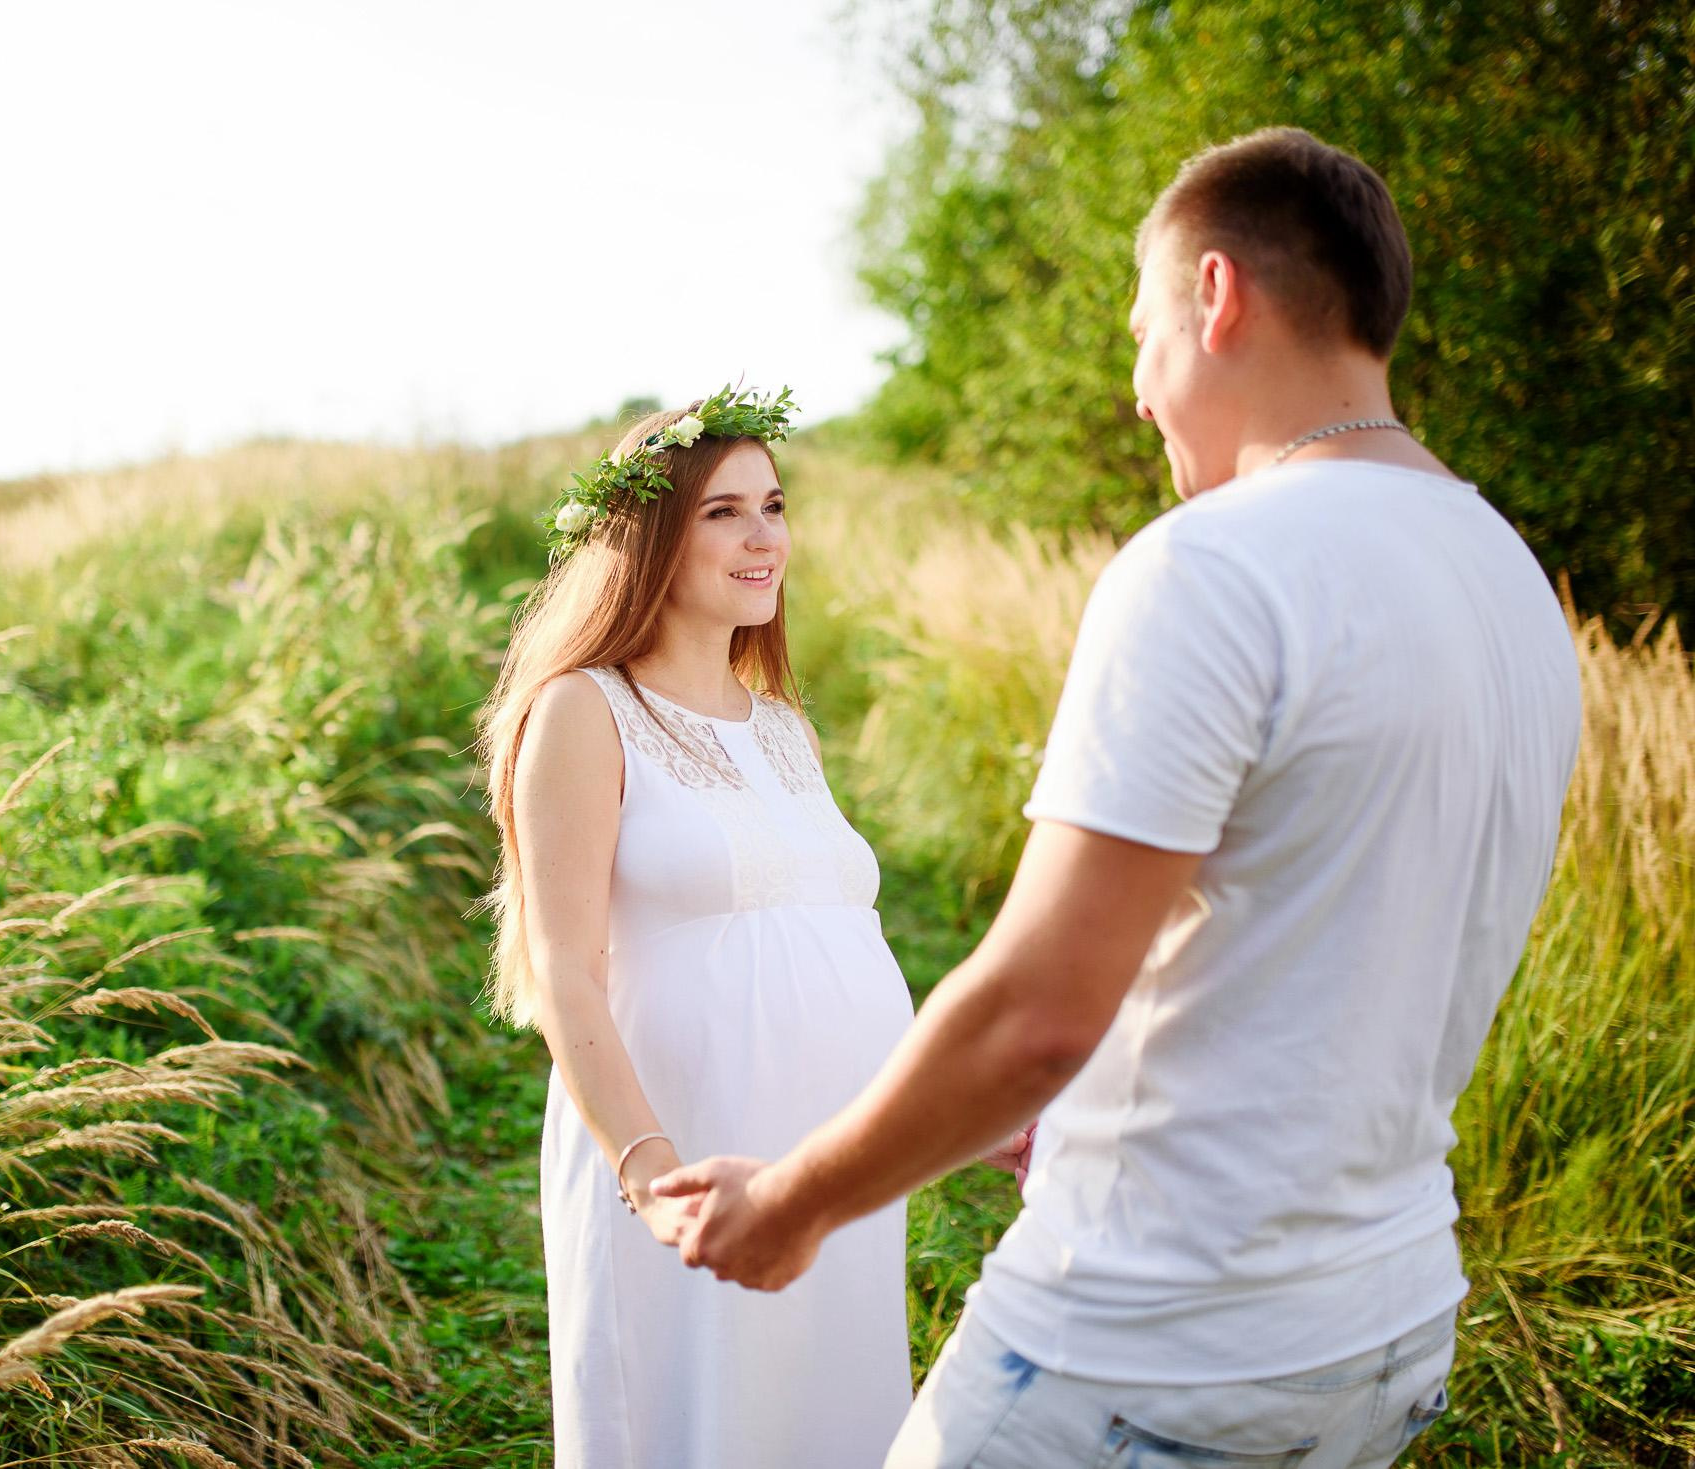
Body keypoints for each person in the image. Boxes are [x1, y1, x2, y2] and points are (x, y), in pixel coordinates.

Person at [653, 128, 1584, 1468]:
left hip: (1148, 1348)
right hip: (1382, 1333)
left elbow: (1038, 1012)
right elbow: (1321, 934)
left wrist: (794, 1201)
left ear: (1217, 298)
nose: (1142, 393)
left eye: (1143, 336)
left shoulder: (1209, 566)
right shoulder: (1507, 578)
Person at [474, 387, 915, 1468]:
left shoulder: (782, 726)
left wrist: (928, 1108)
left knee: (830, 1417)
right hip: (685, 1152)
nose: (763, 535)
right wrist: (650, 1170)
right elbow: (562, 971)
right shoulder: (585, 710)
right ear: (652, 537)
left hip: (825, 1153)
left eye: (772, 504)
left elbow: (829, 932)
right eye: (723, 511)